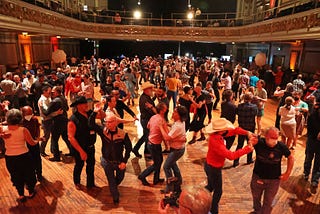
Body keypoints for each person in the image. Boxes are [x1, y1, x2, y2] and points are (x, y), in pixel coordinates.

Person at [204, 118, 257, 214]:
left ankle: (198, 197)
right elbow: (231, 156)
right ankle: (213, 211)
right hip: (213, 167)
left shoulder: (216, 134)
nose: (226, 129)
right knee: (218, 191)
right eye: (225, 128)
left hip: (209, 164)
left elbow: (234, 130)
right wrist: (247, 149)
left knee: (210, 186)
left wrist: (247, 132)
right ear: (221, 130)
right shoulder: (216, 141)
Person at [89, 106, 132, 205]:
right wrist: (94, 113)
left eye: (110, 122)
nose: (108, 124)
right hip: (107, 161)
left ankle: (114, 187)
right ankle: (115, 198)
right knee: (111, 180)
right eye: (106, 122)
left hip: (119, 162)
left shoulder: (122, 134)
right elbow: (91, 124)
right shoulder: (103, 131)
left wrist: (124, 162)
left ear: (116, 122)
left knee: (120, 178)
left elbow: (129, 148)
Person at [250, 127, 294, 214]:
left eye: (276, 138)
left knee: (268, 201)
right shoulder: (259, 142)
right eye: (272, 137)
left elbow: (291, 157)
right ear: (266, 136)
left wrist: (287, 173)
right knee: (256, 198)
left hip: (274, 180)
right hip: (258, 177)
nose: (274, 140)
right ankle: (257, 211)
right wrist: (250, 142)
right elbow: (250, 141)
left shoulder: (281, 146)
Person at [1, 108, 39, 202]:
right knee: (29, 174)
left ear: (7, 119)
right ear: (20, 118)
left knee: (15, 175)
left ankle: (21, 195)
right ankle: (31, 192)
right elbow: (32, 143)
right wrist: (38, 139)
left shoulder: (3, 129)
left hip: (10, 157)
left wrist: (1, 135)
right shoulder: (23, 130)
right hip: (24, 155)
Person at [68, 96, 97, 189]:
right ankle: (77, 182)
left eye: (86, 103)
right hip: (79, 147)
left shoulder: (89, 113)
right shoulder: (73, 119)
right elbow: (71, 137)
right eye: (84, 103)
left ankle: (90, 183)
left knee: (91, 165)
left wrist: (99, 109)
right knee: (79, 165)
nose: (86, 105)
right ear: (78, 106)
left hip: (90, 145)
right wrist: (81, 151)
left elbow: (102, 116)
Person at [159, 106, 188, 192]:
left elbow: (167, 138)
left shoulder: (178, 126)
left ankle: (170, 187)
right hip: (178, 149)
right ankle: (178, 181)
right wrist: (166, 124)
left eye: (175, 112)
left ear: (179, 115)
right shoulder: (180, 122)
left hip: (177, 150)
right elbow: (174, 127)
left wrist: (161, 127)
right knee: (173, 165)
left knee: (166, 167)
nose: (173, 113)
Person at [138, 102, 168, 186]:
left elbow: (148, 126)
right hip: (154, 144)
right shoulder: (162, 120)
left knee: (159, 161)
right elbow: (166, 135)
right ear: (162, 110)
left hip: (151, 142)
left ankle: (156, 179)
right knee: (156, 163)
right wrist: (167, 146)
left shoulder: (153, 117)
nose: (167, 109)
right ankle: (142, 176)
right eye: (165, 108)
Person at [44, 86, 73, 161]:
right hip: (65, 120)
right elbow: (67, 108)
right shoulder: (63, 98)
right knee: (66, 138)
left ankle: (56, 157)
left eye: (53, 92)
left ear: (57, 92)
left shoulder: (54, 101)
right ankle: (73, 152)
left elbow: (46, 113)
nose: (52, 93)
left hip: (57, 122)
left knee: (54, 139)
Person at [132, 82, 156, 158]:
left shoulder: (146, 97)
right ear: (146, 90)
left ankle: (146, 151)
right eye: (150, 89)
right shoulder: (144, 99)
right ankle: (136, 148)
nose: (152, 90)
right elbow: (150, 111)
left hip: (146, 119)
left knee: (147, 135)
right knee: (146, 136)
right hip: (146, 120)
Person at [234, 92, 258, 167]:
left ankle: (236, 161)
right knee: (250, 144)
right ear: (251, 99)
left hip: (241, 127)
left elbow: (237, 113)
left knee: (239, 145)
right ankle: (249, 159)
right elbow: (256, 114)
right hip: (250, 128)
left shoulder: (239, 106)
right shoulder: (254, 107)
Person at [21, 106, 42, 182]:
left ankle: (39, 174)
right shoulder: (21, 122)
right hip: (25, 144)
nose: (30, 115)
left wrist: (38, 137)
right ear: (23, 114)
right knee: (28, 161)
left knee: (37, 159)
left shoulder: (34, 119)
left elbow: (38, 128)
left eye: (31, 113)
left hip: (35, 142)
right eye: (28, 113)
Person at [303, 102, 320, 193]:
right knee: (308, 157)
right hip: (312, 140)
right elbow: (309, 130)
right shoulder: (312, 116)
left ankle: (315, 180)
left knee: (318, 162)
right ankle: (306, 173)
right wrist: (316, 134)